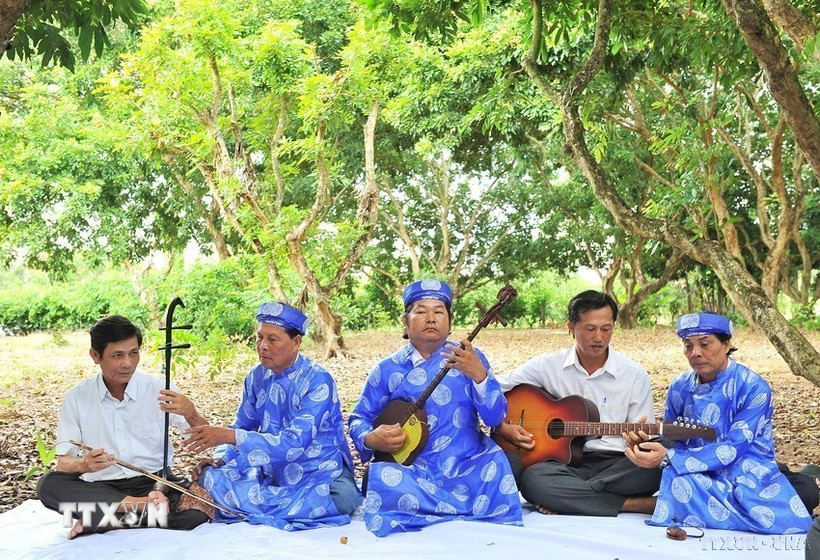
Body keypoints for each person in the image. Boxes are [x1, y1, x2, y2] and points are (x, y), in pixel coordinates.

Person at [348, 279, 523, 536]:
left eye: (439, 311)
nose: (431, 318)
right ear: (405, 322)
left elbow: (496, 416)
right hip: (412, 468)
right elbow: (359, 417)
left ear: (450, 322)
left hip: (466, 464)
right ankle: (462, 508)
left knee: (500, 466)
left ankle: (427, 508)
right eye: (421, 311)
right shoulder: (387, 369)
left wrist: (480, 377)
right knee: (383, 477)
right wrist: (372, 438)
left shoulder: (469, 359)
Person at [625, 311, 813, 534]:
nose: (695, 353)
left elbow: (733, 448)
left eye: (705, 344)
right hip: (690, 466)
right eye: (688, 346)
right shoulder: (679, 386)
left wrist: (670, 458)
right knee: (646, 474)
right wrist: (646, 444)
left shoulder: (752, 386)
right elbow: (672, 438)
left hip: (744, 467)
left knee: (803, 492)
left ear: (726, 345)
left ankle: (631, 504)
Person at [186, 302, 358, 530]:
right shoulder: (256, 377)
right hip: (269, 470)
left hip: (317, 471)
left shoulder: (317, 380)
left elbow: (294, 444)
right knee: (207, 475)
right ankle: (281, 505)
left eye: (272, 339)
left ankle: (247, 503)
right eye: (259, 337)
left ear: (296, 342)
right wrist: (221, 458)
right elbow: (242, 425)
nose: (262, 346)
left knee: (343, 498)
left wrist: (229, 436)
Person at [37, 315, 210, 538]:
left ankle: (110, 520)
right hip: (104, 490)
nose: (127, 363)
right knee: (48, 485)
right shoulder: (78, 398)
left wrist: (191, 412)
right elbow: (64, 464)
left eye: (134, 353)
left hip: (157, 485)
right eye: (117, 355)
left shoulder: (159, 388)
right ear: (95, 356)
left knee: (198, 513)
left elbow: (205, 439)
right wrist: (83, 465)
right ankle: (141, 508)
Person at [494, 290, 661, 516]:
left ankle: (567, 498)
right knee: (533, 479)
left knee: (656, 467)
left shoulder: (633, 374)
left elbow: (644, 440)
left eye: (606, 328)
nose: (599, 337)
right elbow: (494, 386)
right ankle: (633, 504)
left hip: (617, 466)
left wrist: (637, 442)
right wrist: (503, 425)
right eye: (590, 329)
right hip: (564, 465)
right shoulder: (548, 365)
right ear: (571, 328)